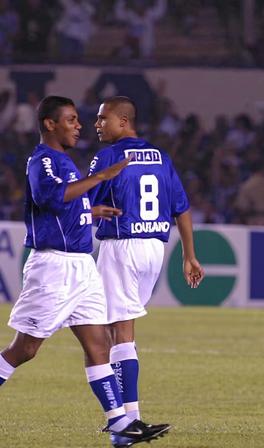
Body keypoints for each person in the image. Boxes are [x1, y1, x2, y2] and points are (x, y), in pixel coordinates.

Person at [0, 95, 170, 447]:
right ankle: (121, 424)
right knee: (25, 350)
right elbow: (49, 197)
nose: (79, 126)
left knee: (99, 346)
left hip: (81, 267)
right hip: (53, 268)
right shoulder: (43, 160)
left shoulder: (65, 161)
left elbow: (67, 205)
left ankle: (121, 426)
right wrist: (103, 177)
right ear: (50, 124)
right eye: (72, 120)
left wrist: (91, 212)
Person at [89, 96, 204, 446]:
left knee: (119, 334)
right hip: (154, 248)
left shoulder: (109, 156)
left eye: (102, 118)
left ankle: (129, 422)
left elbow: (82, 197)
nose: (96, 124)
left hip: (121, 246)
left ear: (124, 121)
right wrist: (189, 255)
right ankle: (125, 419)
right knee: (117, 330)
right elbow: (181, 208)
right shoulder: (161, 157)